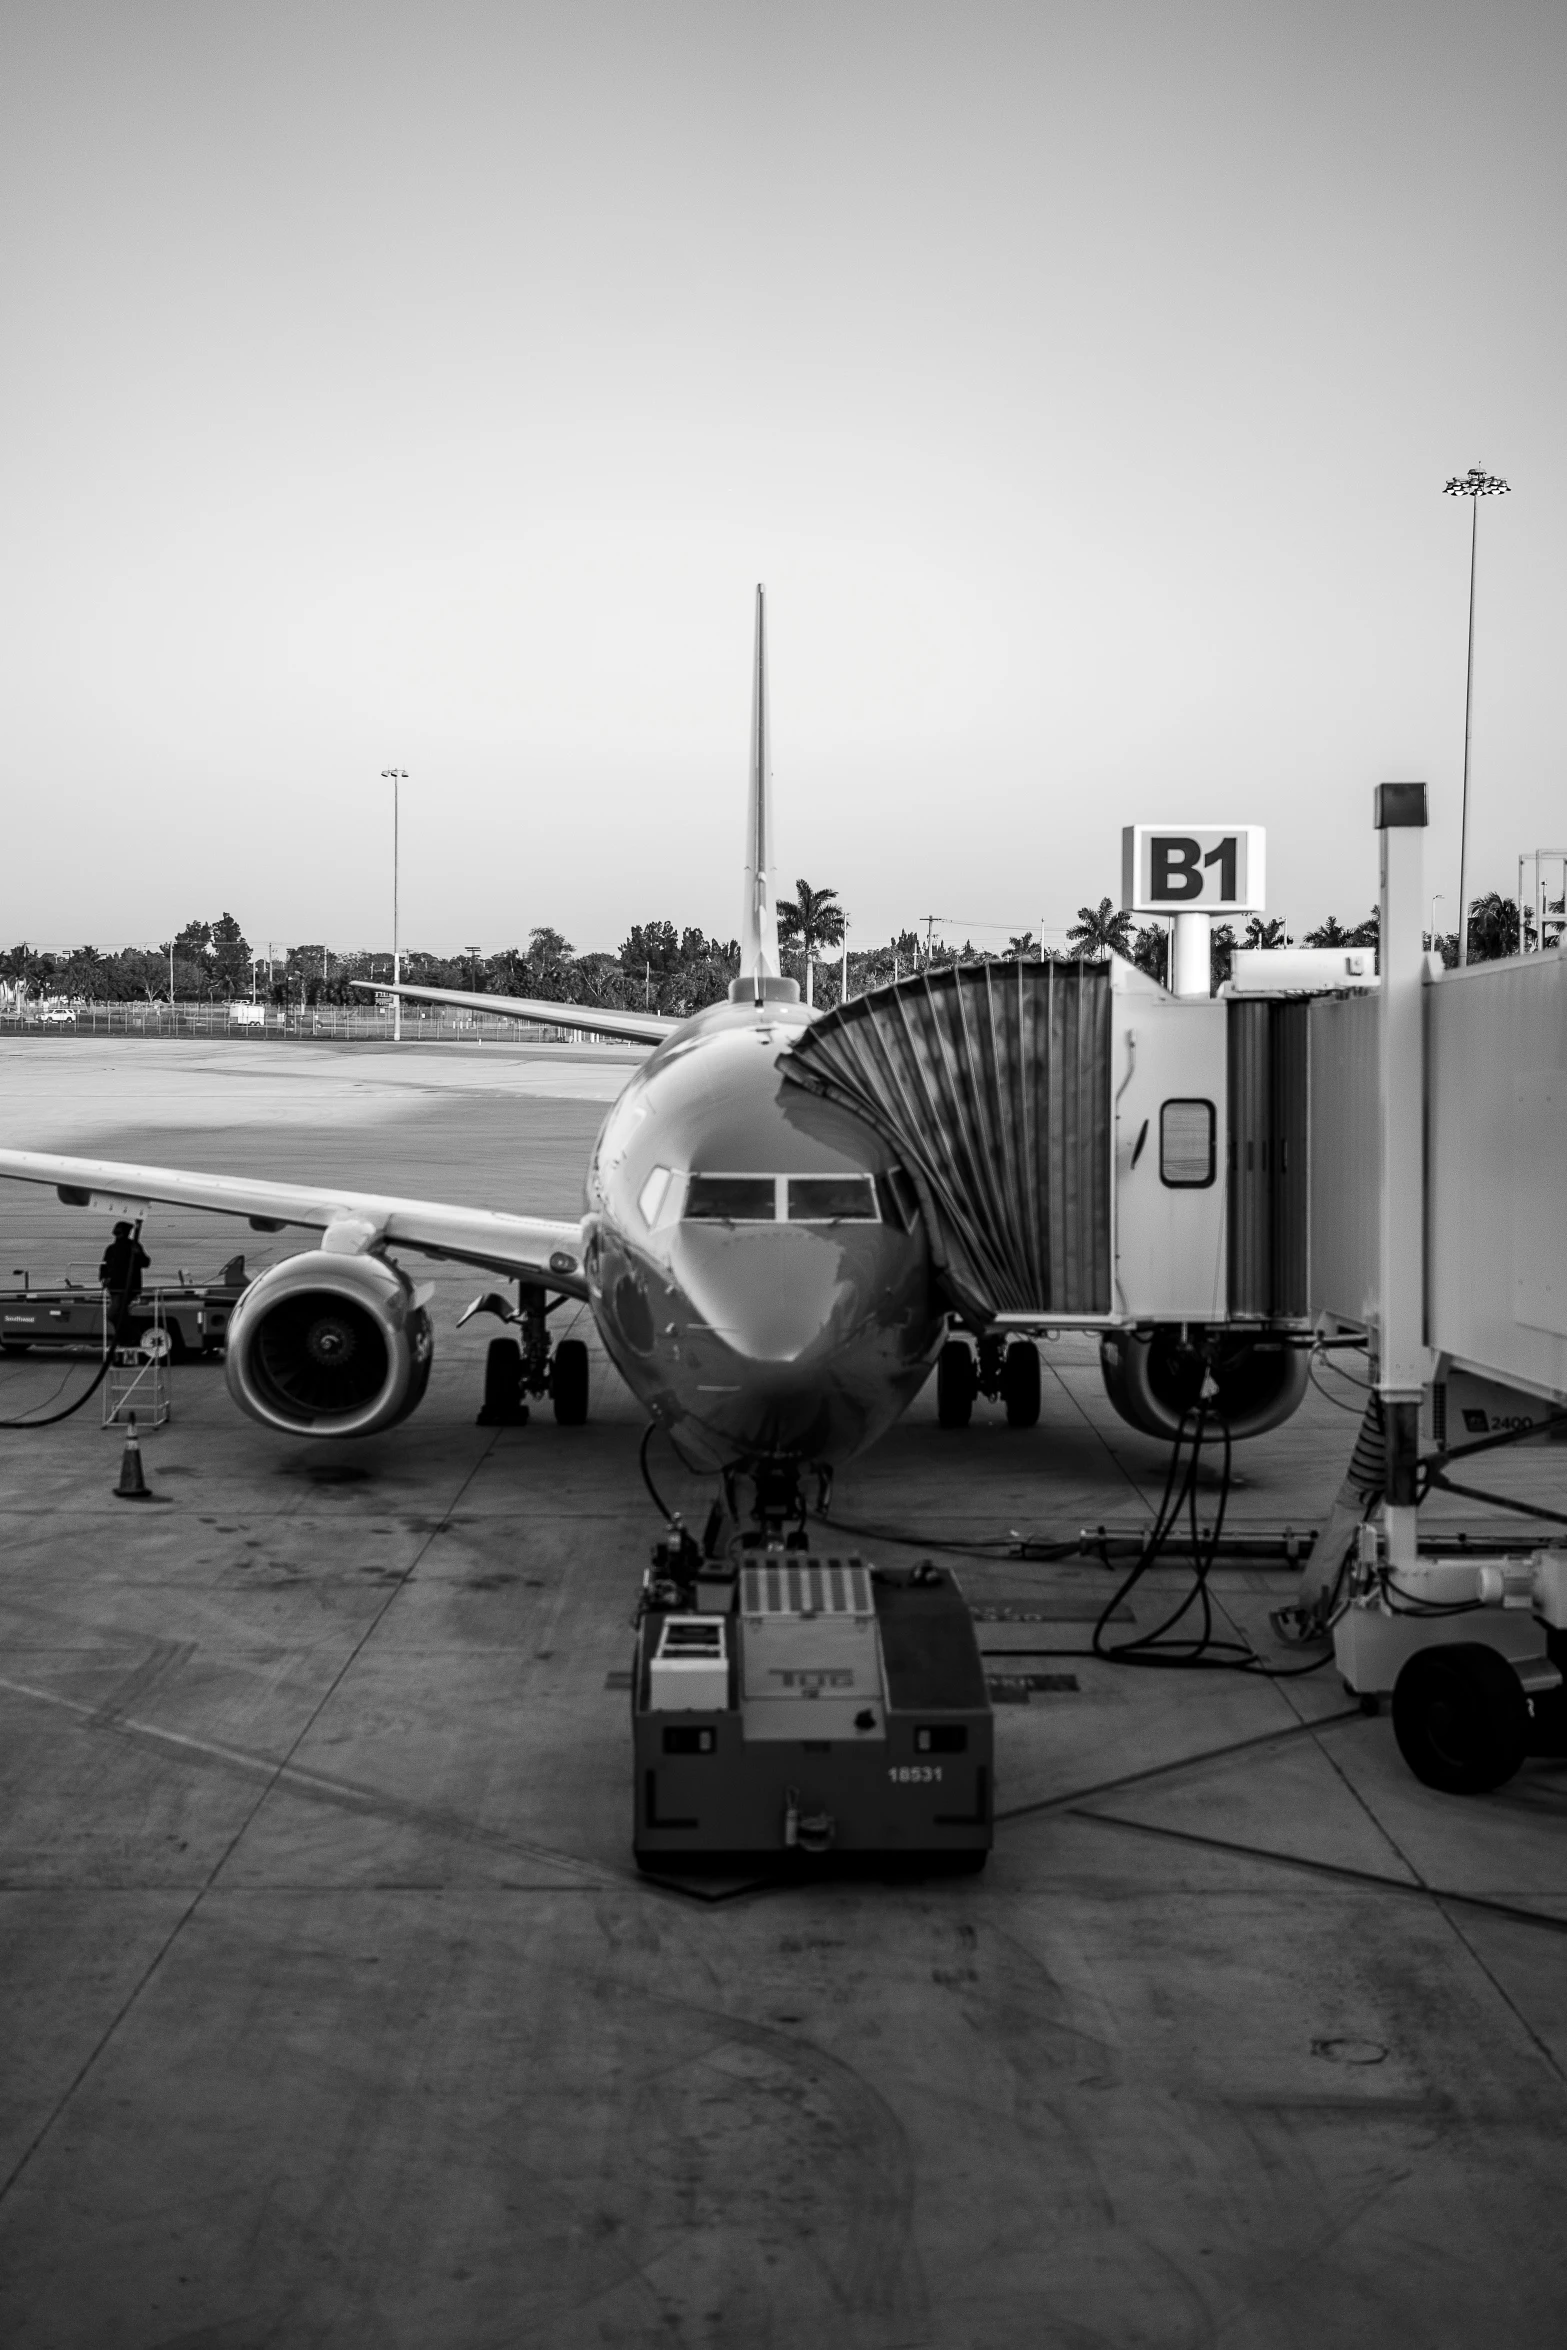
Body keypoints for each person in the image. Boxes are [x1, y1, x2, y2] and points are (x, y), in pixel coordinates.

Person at [99, 1221, 150, 1307]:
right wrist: (103, 1277)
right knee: (116, 1307)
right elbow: (104, 1265)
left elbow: (145, 1263)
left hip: (131, 1286)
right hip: (115, 1286)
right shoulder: (111, 1249)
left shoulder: (134, 1246)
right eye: (116, 1233)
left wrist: (138, 1253)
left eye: (120, 1233)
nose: (118, 1236)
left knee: (126, 1307)